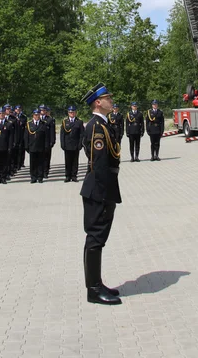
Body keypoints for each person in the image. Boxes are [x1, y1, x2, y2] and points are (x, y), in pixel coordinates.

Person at [80, 82, 122, 306]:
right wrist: (105, 195)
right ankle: (93, 290)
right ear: (98, 102)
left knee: (99, 238)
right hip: (99, 188)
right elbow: (99, 164)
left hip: (105, 186)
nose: (111, 100)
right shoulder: (97, 127)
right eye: (107, 98)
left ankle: (97, 283)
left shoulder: (104, 124)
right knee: (95, 236)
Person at [60, 105, 84, 183]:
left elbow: (81, 134)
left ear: (75, 113)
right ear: (68, 113)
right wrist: (62, 144)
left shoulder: (79, 122)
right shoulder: (64, 122)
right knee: (68, 161)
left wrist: (80, 144)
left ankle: (74, 176)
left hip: (76, 144)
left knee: (75, 161)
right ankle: (67, 176)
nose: (72, 114)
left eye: (73, 112)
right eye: (70, 112)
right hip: (67, 145)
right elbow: (62, 134)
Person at [24, 109, 47, 183]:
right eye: (35, 115)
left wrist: (46, 146)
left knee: (40, 162)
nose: (36, 116)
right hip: (32, 146)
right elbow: (26, 136)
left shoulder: (43, 124)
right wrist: (26, 146)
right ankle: (33, 177)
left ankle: (40, 177)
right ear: (33, 116)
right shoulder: (29, 124)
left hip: (41, 146)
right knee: (33, 163)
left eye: (38, 115)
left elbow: (46, 136)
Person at [40, 106, 56, 179]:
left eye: (44, 110)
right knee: (39, 157)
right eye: (41, 110)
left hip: (47, 141)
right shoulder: (37, 118)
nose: (42, 111)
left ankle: (45, 172)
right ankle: (39, 172)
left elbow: (52, 131)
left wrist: (52, 141)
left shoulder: (49, 119)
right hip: (39, 142)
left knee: (46, 157)